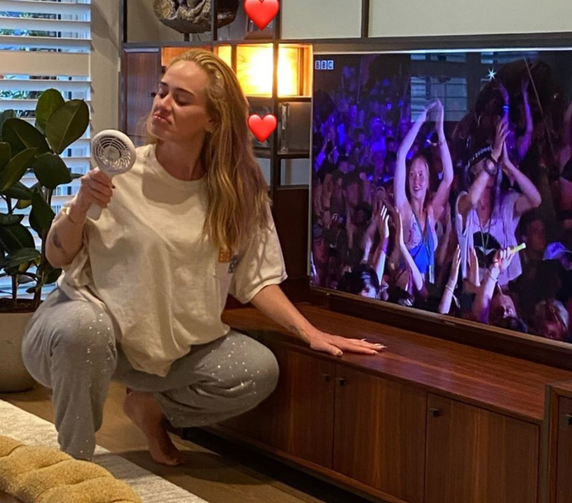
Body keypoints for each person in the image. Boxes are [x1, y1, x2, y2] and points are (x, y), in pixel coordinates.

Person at [21, 49, 384, 467]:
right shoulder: (121, 174)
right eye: (161, 92)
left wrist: (310, 332)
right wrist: (81, 206)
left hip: (167, 353)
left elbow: (257, 279)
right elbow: (56, 255)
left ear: (213, 120)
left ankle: (149, 409)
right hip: (77, 332)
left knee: (256, 370)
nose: (162, 105)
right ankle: (75, 467)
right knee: (85, 328)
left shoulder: (240, 191)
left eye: (181, 98)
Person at [457, 120, 542, 287]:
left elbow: (535, 200)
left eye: (492, 162)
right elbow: (473, 199)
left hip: (501, 291)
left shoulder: (506, 202)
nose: (491, 165)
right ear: (472, 170)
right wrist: (494, 155)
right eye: (485, 161)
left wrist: (509, 165)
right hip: (470, 290)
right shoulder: (463, 199)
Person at [394, 100, 454, 283]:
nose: (416, 180)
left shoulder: (431, 213)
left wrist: (440, 132)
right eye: (411, 174)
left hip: (428, 295)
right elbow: (401, 155)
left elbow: (449, 177)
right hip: (407, 295)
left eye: (421, 175)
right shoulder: (404, 209)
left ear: (428, 182)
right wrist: (420, 119)